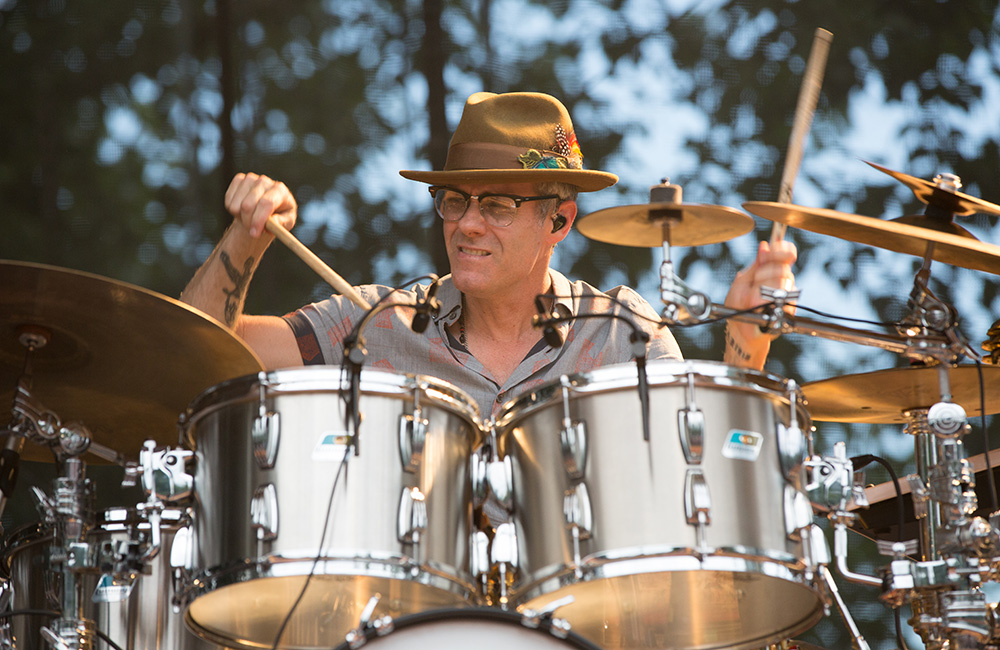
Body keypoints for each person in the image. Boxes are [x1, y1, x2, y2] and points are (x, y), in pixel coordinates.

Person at [181, 91, 796, 418]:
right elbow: (194, 354)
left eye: (497, 206)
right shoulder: (374, 321)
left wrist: (746, 338)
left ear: (558, 220)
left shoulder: (622, 334)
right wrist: (247, 239)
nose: (467, 225)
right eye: (453, 200)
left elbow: (706, 467)